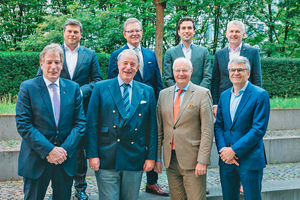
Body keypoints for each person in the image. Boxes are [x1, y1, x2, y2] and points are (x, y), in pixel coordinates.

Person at [36, 19, 102, 200]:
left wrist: (80, 91)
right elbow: (40, 78)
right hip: (56, 111)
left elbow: (97, 80)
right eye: (69, 31)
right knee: (55, 147)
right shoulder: (53, 53)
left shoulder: (90, 54)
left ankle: (80, 188)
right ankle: (57, 190)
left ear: (81, 34)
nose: (72, 34)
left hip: (80, 109)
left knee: (78, 150)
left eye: (76, 32)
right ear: (64, 33)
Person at [16, 43, 86, 200]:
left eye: (57, 62)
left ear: (62, 64)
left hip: (65, 159)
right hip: (36, 157)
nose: (53, 66)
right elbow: (24, 124)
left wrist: (63, 151)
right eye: (49, 62)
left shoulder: (73, 88)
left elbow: (80, 123)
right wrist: (49, 150)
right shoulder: (28, 87)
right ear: (41, 64)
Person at [107, 18, 168, 196]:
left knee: (151, 140)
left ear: (142, 32)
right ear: (125, 34)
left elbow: (157, 81)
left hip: (149, 106)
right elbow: (112, 83)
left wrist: (160, 105)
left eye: (138, 30)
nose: (135, 33)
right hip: (127, 108)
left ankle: (152, 182)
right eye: (130, 31)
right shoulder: (116, 55)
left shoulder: (149, 55)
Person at [86, 49, 158, 200]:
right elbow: (92, 124)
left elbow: (151, 128)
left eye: (133, 64)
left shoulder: (147, 91)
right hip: (107, 156)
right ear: (118, 64)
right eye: (125, 63)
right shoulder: (101, 88)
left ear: (138, 67)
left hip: (134, 157)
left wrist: (151, 157)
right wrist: (92, 155)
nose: (128, 67)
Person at [155, 57, 214, 200]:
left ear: (191, 71)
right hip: (171, 159)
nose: (181, 74)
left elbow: (207, 130)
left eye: (184, 70)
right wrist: (157, 157)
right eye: (177, 71)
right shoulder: (163, 94)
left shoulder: (202, 93)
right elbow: (159, 129)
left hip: (193, 160)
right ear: (172, 72)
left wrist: (203, 160)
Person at [214, 56, 270, 200]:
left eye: (240, 70)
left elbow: (258, 129)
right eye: (233, 70)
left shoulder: (260, 95)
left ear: (248, 73)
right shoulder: (224, 96)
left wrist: (234, 150)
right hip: (226, 160)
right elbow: (219, 125)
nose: (236, 73)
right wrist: (224, 152)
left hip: (250, 159)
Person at [211, 20, 262, 118]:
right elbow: (215, 81)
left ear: (243, 34)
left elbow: (257, 79)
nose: (234, 34)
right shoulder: (219, 54)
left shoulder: (253, 52)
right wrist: (215, 104)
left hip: (247, 100)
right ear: (226, 34)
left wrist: (256, 102)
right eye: (231, 31)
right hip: (224, 100)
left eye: (237, 31)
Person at [163, 17, 211, 89]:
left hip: (198, 96)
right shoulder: (170, 53)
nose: (186, 31)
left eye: (189, 28)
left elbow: (207, 77)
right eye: (183, 28)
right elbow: (168, 78)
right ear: (179, 32)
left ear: (194, 31)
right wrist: (179, 91)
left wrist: (198, 93)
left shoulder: (203, 52)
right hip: (178, 96)